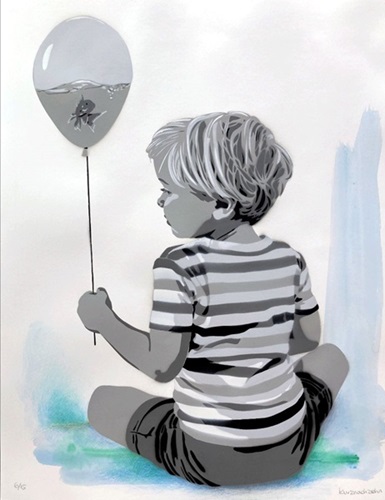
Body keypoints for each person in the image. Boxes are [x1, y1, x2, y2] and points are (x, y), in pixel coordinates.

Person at [77, 111, 349, 487]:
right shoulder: (289, 258)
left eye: (168, 190)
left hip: (206, 456)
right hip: (290, 448)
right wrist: (253, 347)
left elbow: (161, 367)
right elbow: (308, 339)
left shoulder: (180, 266)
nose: (160, 201)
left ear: (221, 205)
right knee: (333, 357)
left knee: (103, 402)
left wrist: (104, 321)